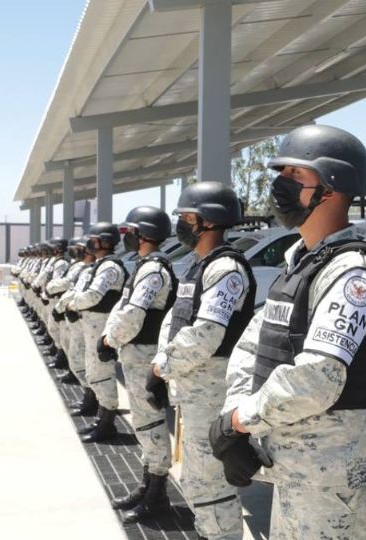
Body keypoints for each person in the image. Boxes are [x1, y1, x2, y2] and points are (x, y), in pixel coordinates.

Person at [214, 124, 366, 539]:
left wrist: (242, 421)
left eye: (295, 175)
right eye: (280, 173)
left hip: (339, 482)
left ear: (332, 187)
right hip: (299, 474)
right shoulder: (301, 263)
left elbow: (317, 378)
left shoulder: (354, 273)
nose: (280, 184)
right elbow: (254, 346)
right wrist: (234, 417)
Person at [151, 182, 256, 540]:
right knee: (198, 481)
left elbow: (206, 335)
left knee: (211, 486)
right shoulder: (198, 265)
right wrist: (163, 364)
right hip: (192, 390)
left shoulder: (225, 269)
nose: (180, 222)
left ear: (208, 220)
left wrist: (162, 366)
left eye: (186, 216)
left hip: (211, 392)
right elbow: (177, 318)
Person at [102, 206, 177, 523]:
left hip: (144, 355)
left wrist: (109, 339)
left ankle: (157, 493)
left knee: (149, 423)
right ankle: (148, 485)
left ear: (143, 234)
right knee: (143, 423)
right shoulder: (144, 266)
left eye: (129, 231)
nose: (126, 237)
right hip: (136, 354)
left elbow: (133, 315)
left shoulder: (154, 270)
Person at [69, 222, 128, 443]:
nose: (89, 244)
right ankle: (101, 419)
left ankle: (107, 424)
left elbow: (93, 296)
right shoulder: (101, 264)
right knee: (94, 374)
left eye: (94, 240)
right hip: (92, 325)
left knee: (102, 375)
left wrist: (69, 304)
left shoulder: (110, 267)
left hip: (101, 326)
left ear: (104, 241)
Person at [56, 238, 99, 413]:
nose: (77, 251)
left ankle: (99, 411)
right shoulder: (86, 269)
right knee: (78, 359)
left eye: (80, 248)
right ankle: (89, 398)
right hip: (81, 320)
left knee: (93, 367)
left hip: (91, 323)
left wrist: (69, 305)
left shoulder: (101, 268)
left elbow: (88, 295)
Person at [47, 237, 90, 385]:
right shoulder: (79, 265)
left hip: (81, 315)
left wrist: (60, 304)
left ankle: (92, 397)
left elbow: (72, 288)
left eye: (77, 248)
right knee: (71, 347)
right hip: (69, 308)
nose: (73, 251)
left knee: (79, 354)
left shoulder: (87, 268)